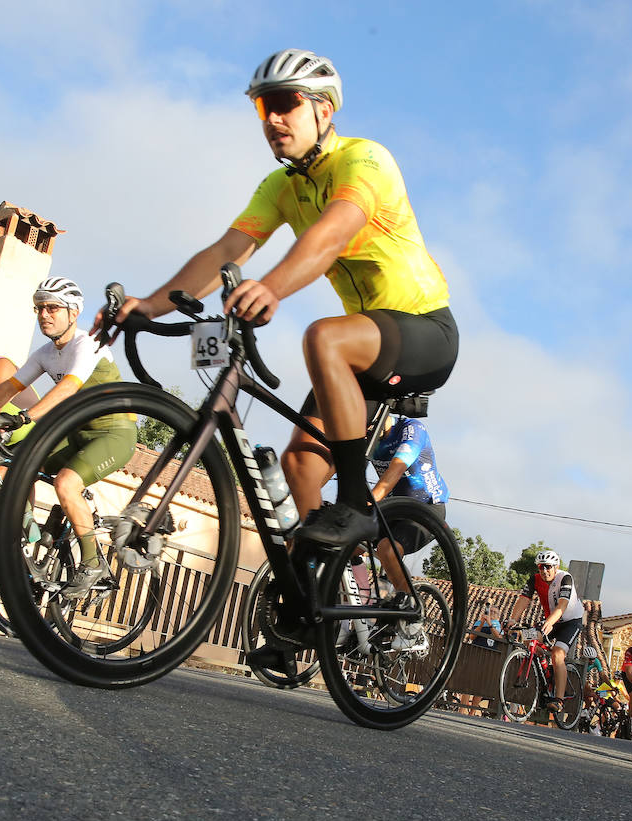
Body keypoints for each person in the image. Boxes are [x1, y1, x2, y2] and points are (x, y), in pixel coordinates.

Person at [100, 49, 457, 553]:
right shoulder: (280, 186)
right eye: (263, 109)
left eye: (285, 103)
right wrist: (147, 306)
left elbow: (333, 234)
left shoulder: (366, 159)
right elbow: (226, 250)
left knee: (324, 337)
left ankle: (357, 509)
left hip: (425, 330)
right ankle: (320, 602)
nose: (274, 119)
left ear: (324, 110)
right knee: (300, 465)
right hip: (366, 348)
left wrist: (271, 287)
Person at [0, 277, 139, 600]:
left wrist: (26, 416)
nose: (44, 314)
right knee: (14, 464)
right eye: (39, 308)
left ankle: (93, 562)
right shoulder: (44, 353)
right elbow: (10, 387)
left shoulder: (89, 344)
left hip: (113, 433)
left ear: (73, 312)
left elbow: (68, 386)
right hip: (77, 434)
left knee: (66, 484)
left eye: (52, 307)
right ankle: (26, 538)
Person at [368, 413, 449, 652]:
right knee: (347, 541)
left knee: (387, 551)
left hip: (425, 508)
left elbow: (396, 469)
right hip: (392, 509)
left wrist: (368, 502)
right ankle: (360, 617)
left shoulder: (411, 429)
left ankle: (413, 615)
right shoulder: (366, 436)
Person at [506, 550, 585, 713]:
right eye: (541, 567)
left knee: (557, 654)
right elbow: (523, 600)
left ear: (556, 567)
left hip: (570, 621)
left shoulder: (565, 578)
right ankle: (544, 671)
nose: (544, 571)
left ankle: (559, 699)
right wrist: (513, 620)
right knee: (528, 638)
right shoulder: (535, 579)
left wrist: (549, 622)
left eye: (548, 567)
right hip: (551, 619)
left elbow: (562, 604)